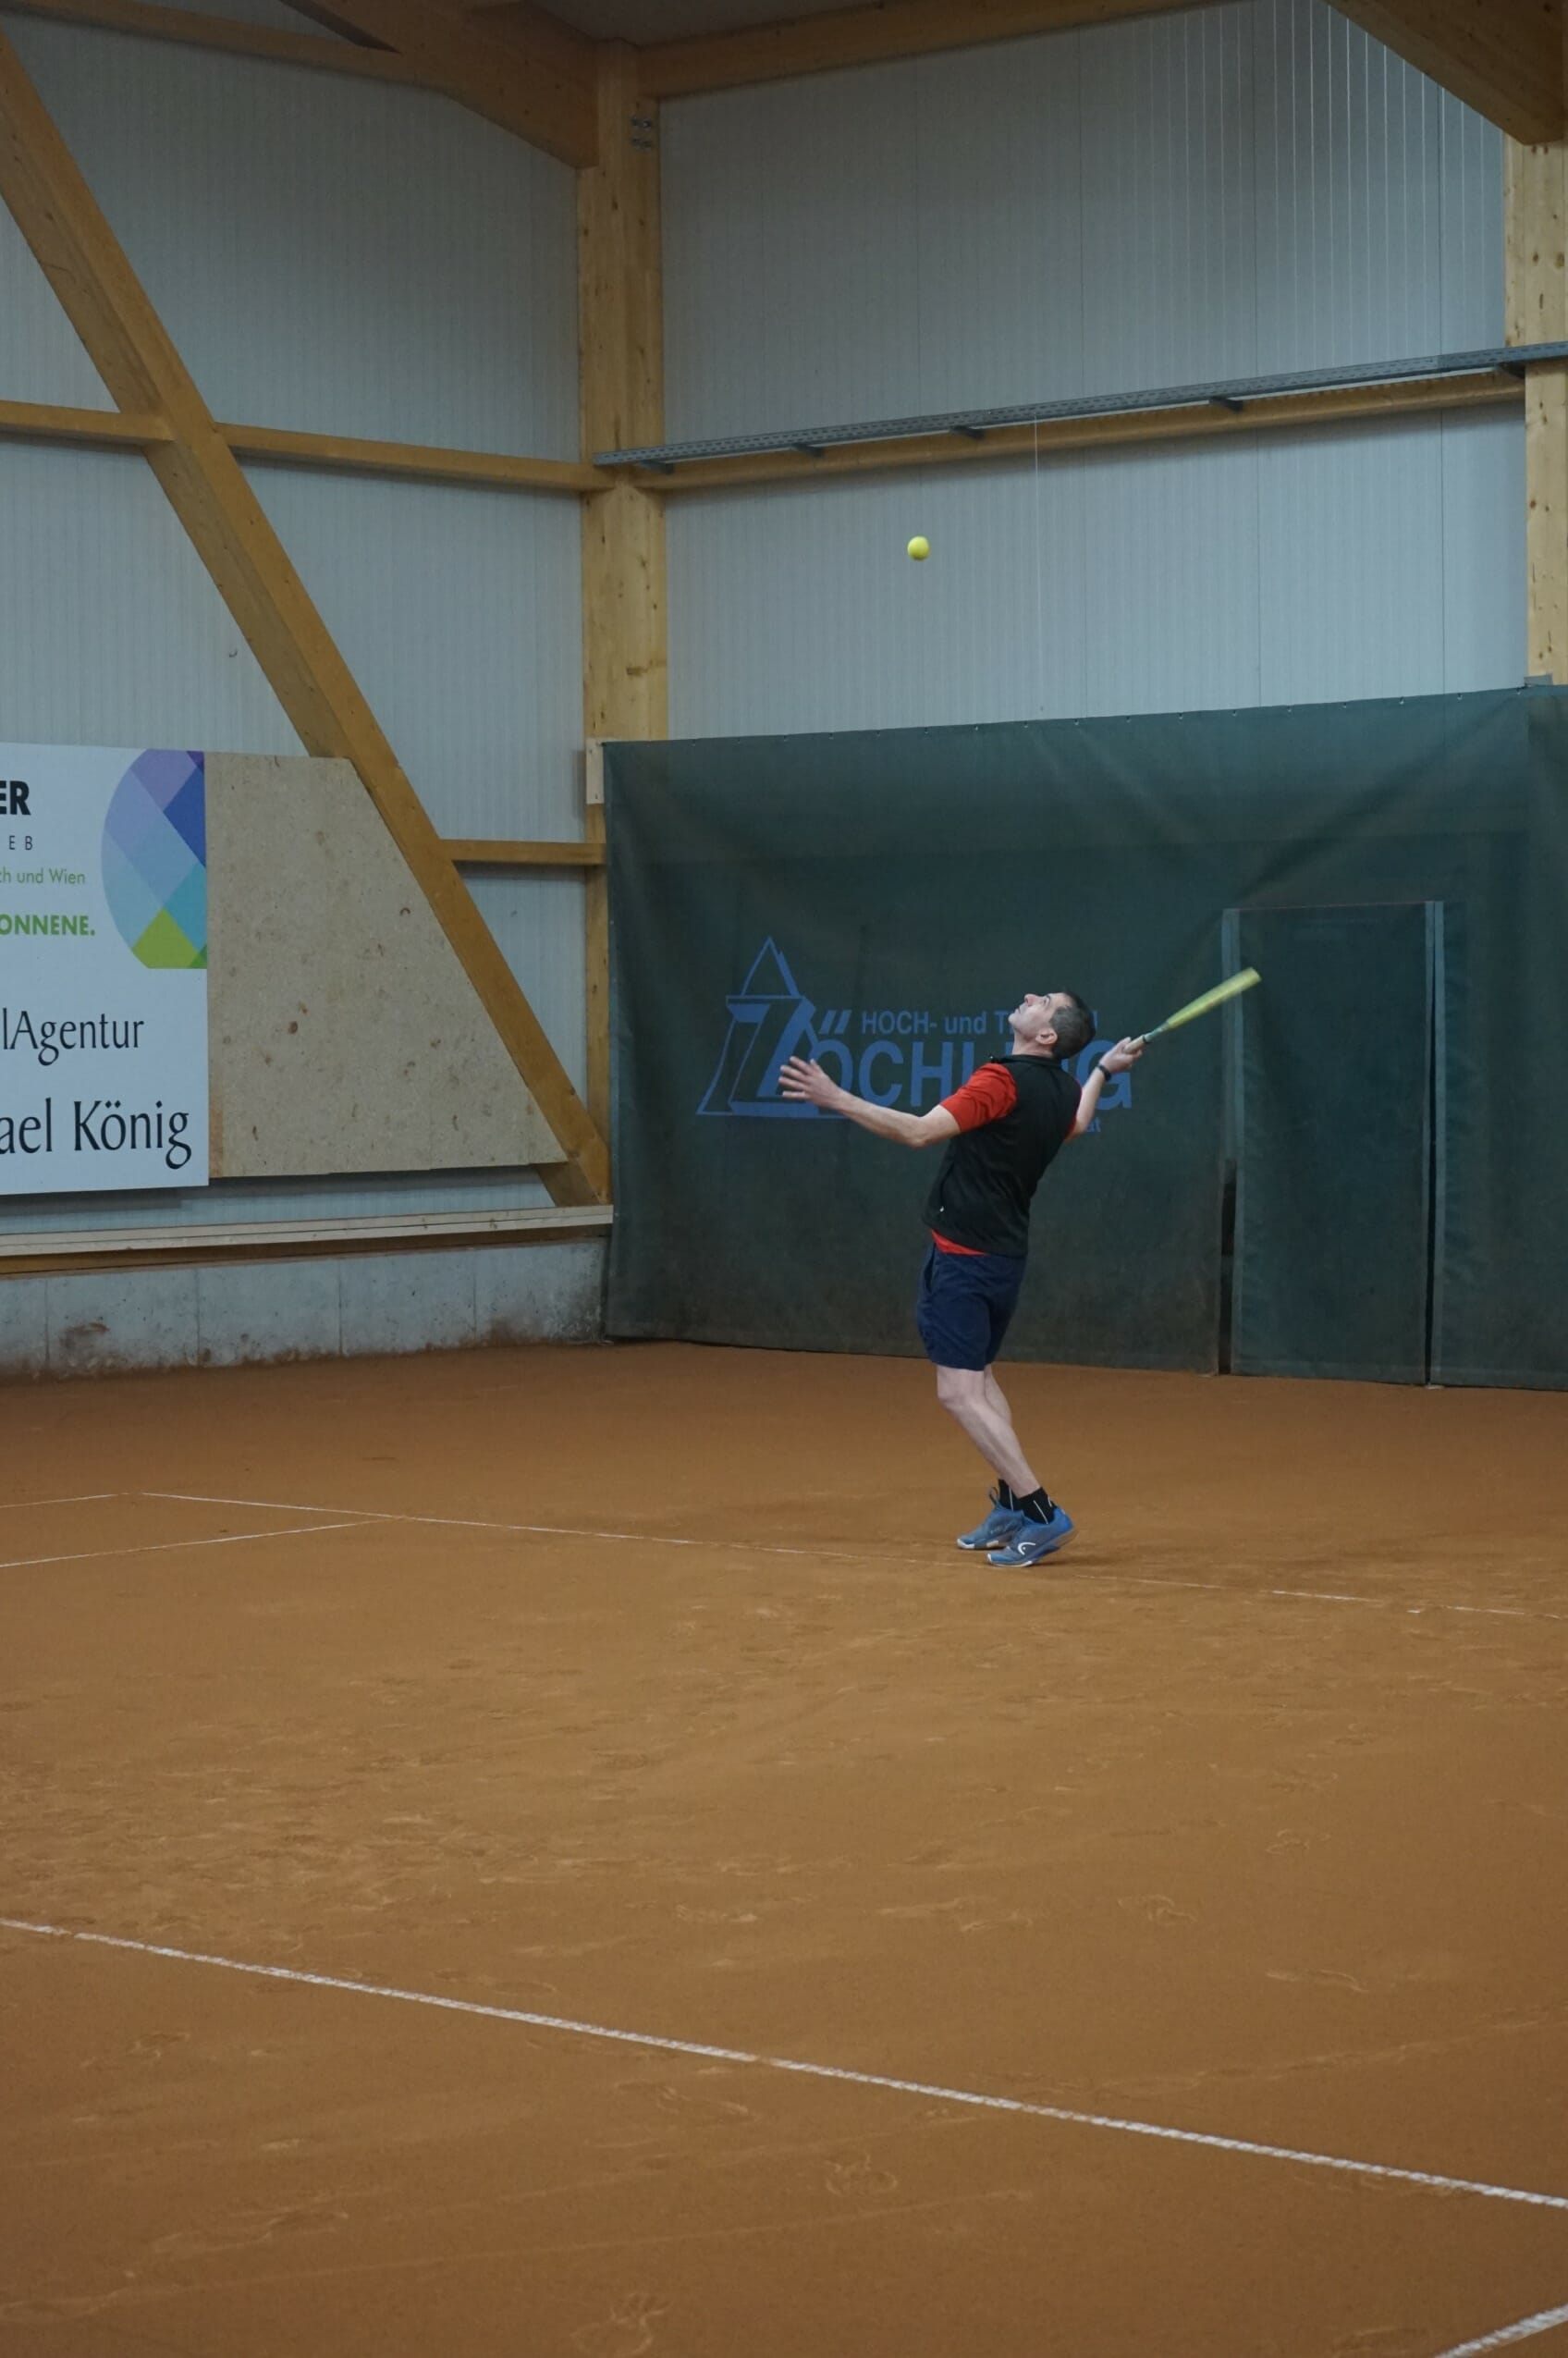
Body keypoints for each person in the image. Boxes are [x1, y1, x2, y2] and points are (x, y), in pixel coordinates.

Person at [779, 992, 1143, 1566]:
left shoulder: (1002, 1081)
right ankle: (1013, 1504)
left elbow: (919, 1132)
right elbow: (1076, 1124)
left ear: (1047, 1036)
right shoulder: (1062, 1088)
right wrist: (1103, 1070)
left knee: (957, 1391)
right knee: (980, 1380)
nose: (1030, 997)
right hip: (1002, 1256)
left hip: (964, 1256)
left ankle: (1041, 1511)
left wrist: (835, 1097)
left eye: (1044, 1001)